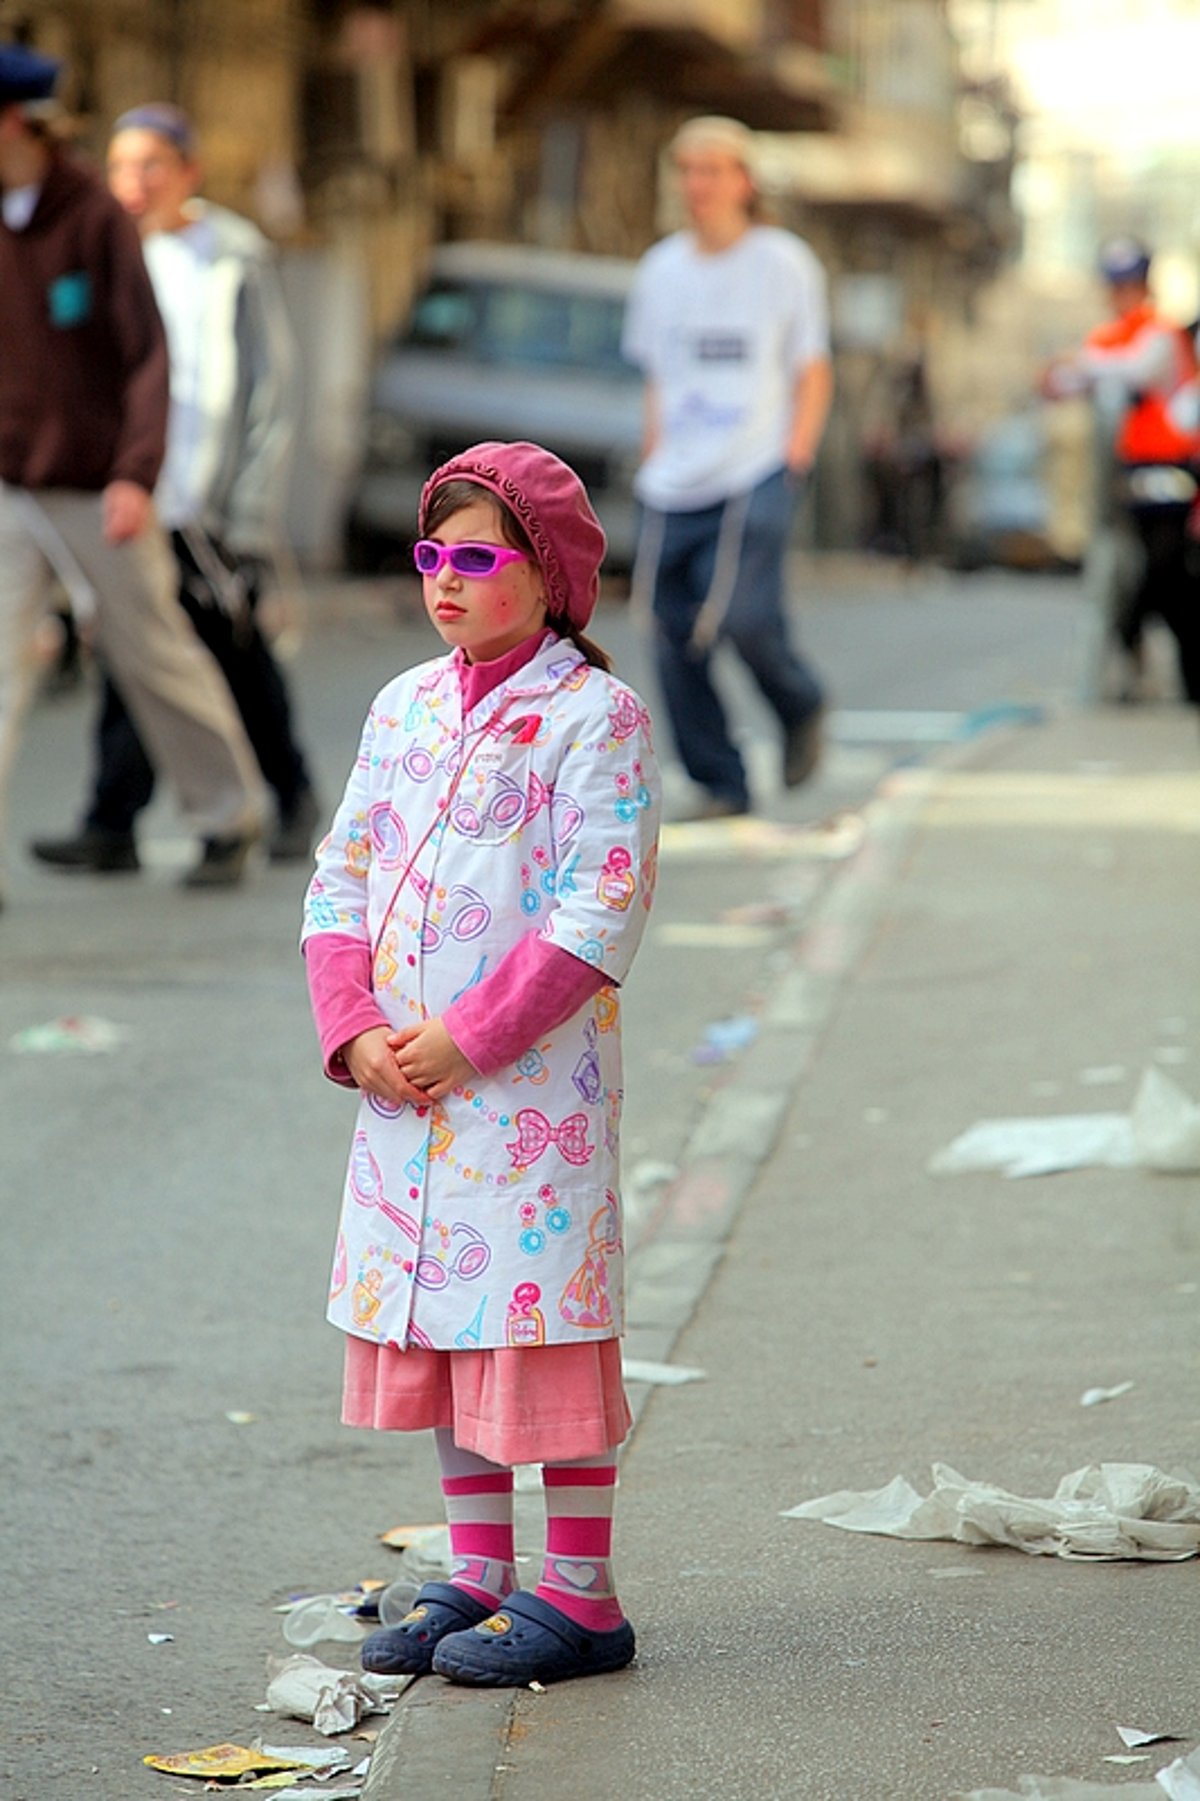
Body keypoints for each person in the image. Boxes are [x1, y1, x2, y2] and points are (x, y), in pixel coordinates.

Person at [301, 440, 661, 1686]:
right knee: (446, 1324)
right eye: (430, 556)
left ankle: (582, 1594)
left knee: (539, 1326)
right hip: (403, 1089)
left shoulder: (592, 716)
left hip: (524, 1099)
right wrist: (352, 1027)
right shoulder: (401, 704)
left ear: (546, 575)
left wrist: (469, 1039)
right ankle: (476, 1567)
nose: (444, 581)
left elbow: (594, 911)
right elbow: (340, 872)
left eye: (476, 558)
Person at [0, 46, 264, 899]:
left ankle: (228, 815)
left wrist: (135, 474)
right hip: (11, 484)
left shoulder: (91, 217)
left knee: (152, 654)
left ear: (18, 122)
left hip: (96, 484)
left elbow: (149, 357)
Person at [31, 102, 319, 879]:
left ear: (187, 172)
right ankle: (113, 819)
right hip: (130, 488)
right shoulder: (102, 250)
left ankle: (290, 794)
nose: (135, 182)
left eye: (152, 164)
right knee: (138, 654)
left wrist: (250, 508)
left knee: (227, 650)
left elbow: (269, 385)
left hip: (206, 494)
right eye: (121, 166)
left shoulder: (230, 256)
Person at [622, 114, 834, 819]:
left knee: (741, 615)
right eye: (686, 171)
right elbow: (659, 374)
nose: (697, 185)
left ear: (743, 181)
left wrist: (793, 455)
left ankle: (800, 703)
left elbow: (811, 368)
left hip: (755, 467)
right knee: (667, 626)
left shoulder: (783, 262)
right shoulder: (661, 269)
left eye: (712, 170)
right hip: (675, 476)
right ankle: (721, 779)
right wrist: (656, 455)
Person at [1043, 236, 1200, 705]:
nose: (1121, 295)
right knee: (1136, 576)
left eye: (1129, 285)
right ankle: (1134, 657)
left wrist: (1080, 364)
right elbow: (1063, 382)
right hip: (1126, 477)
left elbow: (1135, 370)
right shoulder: (1106, 337)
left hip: (1171, 472)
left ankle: (1157, 659)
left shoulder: (1160, 335)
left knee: (1165, 576)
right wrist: (1060, 373)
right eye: (1115, 286)